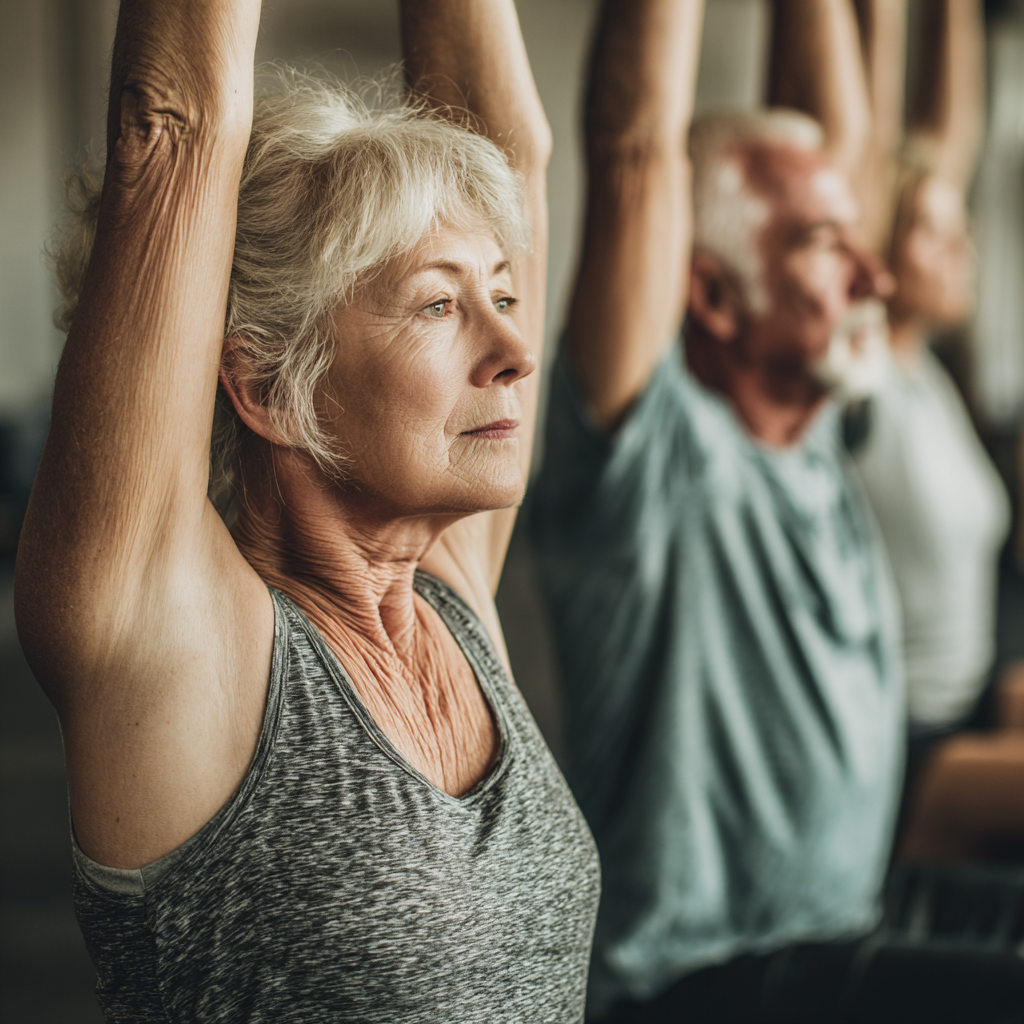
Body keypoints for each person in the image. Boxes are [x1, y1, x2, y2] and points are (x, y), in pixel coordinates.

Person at [15, 0, 600, 1019]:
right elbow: (174, 129)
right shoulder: (181, 652)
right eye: (437, 304)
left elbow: (506, 145)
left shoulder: (445, 599)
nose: (515, 351)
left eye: (501, 296)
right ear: (272, 384)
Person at [529, 0, 904, 1019]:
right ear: (714, 297)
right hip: (700, 984)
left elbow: (846, 143)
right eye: (827, 246)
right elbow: (635, 153)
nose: (877, 274)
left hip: (838, 941)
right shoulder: (651, 465)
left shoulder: (807, 429)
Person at [847, 0, 1022, 863]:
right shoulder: (863, 367)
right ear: (877, 248)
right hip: (906, 747)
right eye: (933, 233)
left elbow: (949, 145)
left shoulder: (931, 380)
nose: (965, 253)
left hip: (976, 704)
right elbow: (878, 155)